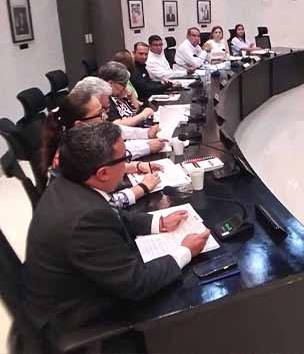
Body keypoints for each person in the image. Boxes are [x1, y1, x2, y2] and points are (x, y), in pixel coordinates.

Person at [23, 123, 211, 332]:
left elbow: (112, 213)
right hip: (75, 317)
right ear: (103, 173)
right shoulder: (86, 220)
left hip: (74, 287)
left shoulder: (70, 182)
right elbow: (136, 283)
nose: (128, 164)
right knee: (191, 296)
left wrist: (158, 223)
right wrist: (185, 251)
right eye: (125, 158)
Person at [39, 90, 163, 208]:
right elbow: (102, 205)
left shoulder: (78, 144)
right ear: (80, 125)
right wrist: (142, 187)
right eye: (99, 114)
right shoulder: (73, 156)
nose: (106, 116)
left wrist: (135, 166)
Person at [70, 76, 165, 160]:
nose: (106, 115)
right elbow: (108, 155)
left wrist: (146, 133)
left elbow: (112, 130)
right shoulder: (76, 143)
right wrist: (146, 148)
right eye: (102, 110)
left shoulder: (91, 120)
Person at [97, 61, 154, 126]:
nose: (125, 87)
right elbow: (117, 125)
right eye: (123, 84)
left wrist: (132, 96)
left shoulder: (119, 95)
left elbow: (135, 112)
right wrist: (143, 115)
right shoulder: (105, 99)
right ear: (110, 83)